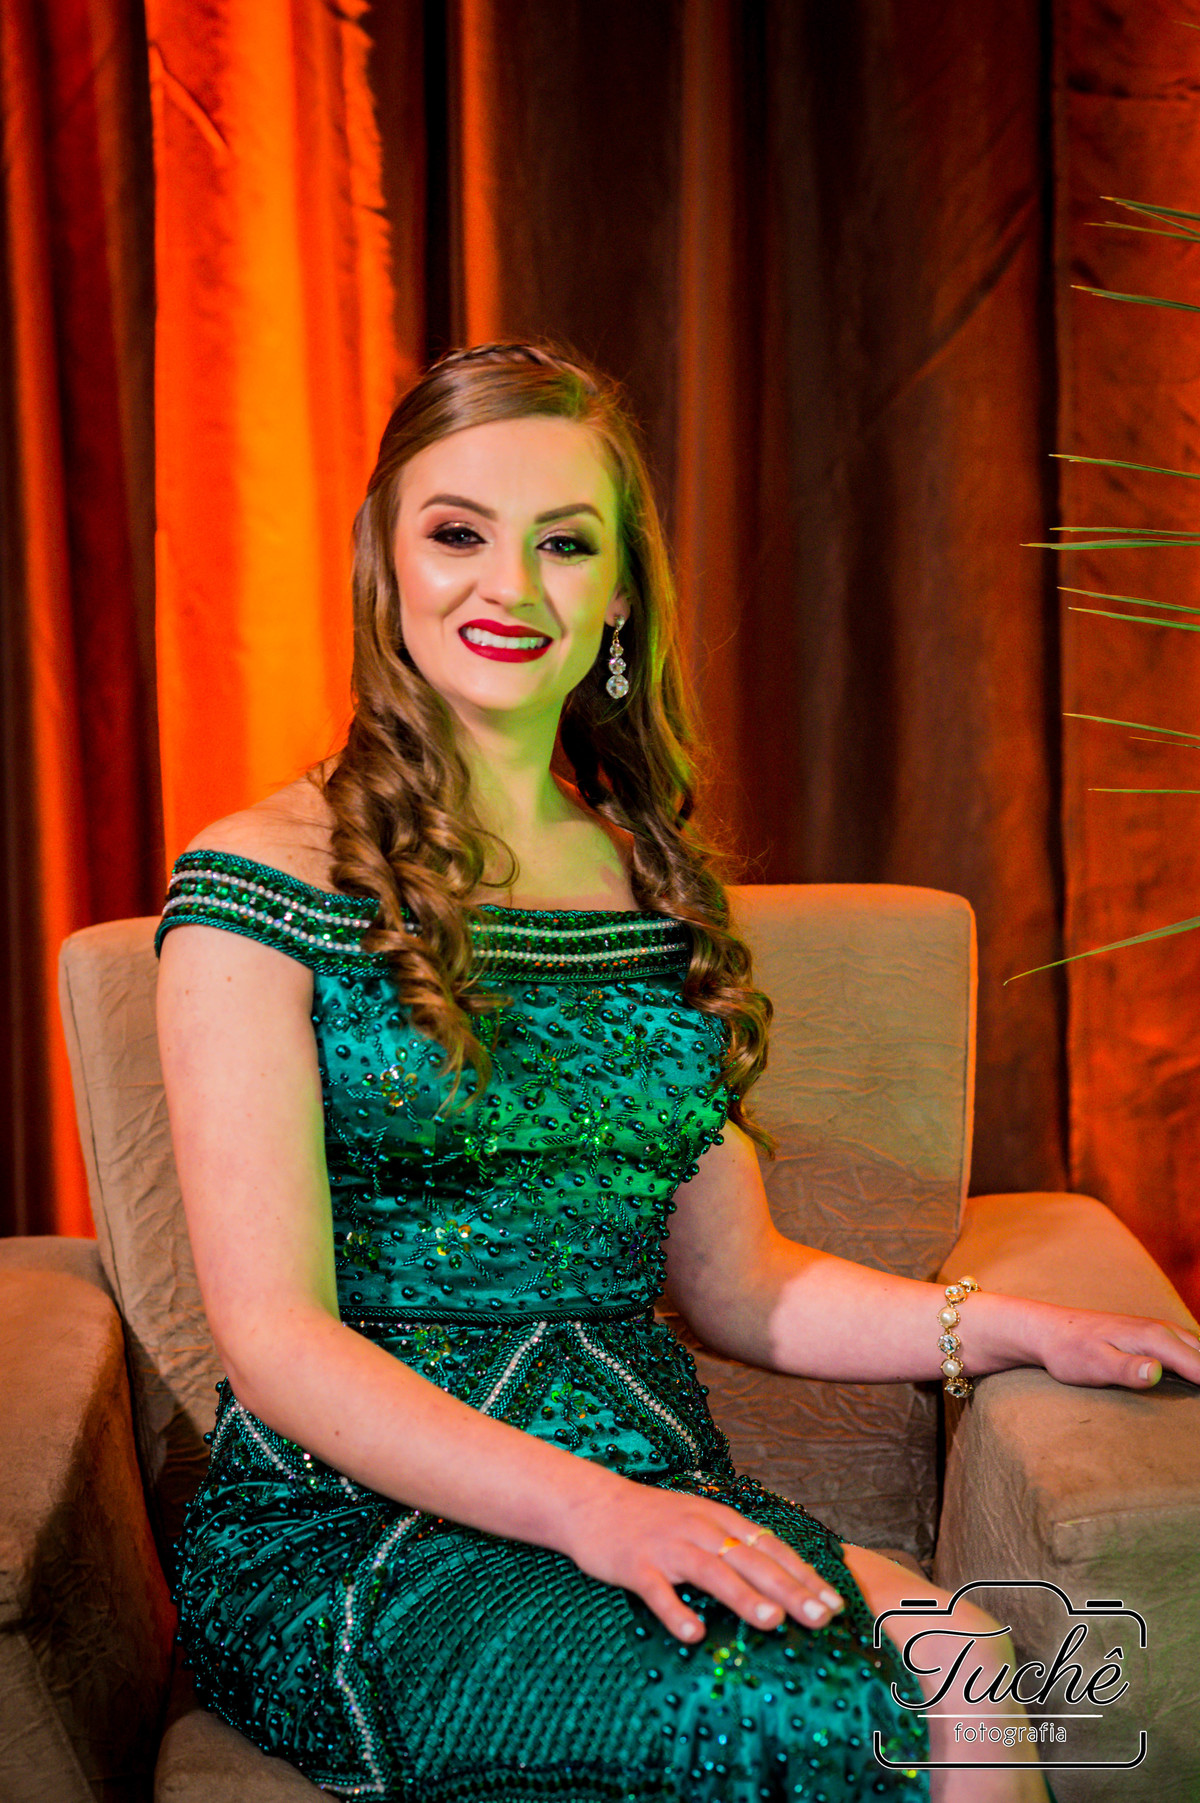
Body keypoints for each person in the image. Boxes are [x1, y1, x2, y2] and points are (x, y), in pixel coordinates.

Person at [155, 341, 1200, 1803]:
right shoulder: (255, 884)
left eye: (563, 542)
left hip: (649, 1475)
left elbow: (742, 1284)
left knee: (971, 1687)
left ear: (620, 594)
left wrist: (1020, 1328)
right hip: (358, 1532)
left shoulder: (650, 885)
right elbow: (275, 1339)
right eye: (457, 532)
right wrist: (594, 1515)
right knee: (817, 1720)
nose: (508, 587)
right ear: (384, 559)